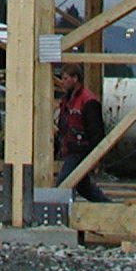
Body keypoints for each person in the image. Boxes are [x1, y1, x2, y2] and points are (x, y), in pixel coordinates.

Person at [52, 63, 110, 202]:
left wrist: (96, 158)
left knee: (64, 183)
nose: (62, 82)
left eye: (65, 78)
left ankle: (62, 214)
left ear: (75, 78)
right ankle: (108, 207)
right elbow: (63, 128)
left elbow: (96, 131)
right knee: (84, 187)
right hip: (71, 149)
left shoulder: (88, 101)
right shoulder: (67, 101)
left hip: (80, 151)